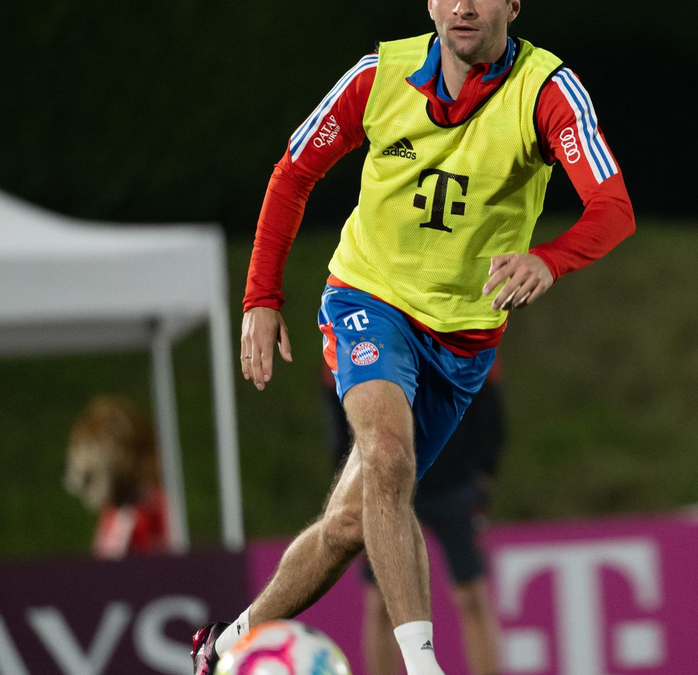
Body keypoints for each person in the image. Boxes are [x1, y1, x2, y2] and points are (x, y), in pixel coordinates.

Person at [190, 1, 635, 673]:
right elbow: (293, 170)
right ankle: (424, 666)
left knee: (346, 526)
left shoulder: (545, 90)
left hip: (462, 344)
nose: (462, 6)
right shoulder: (380, 74)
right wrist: (261, 296)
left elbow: (613, 208)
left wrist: (549, 257)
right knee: (389, 458)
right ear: (429, 3)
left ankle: (223, 647)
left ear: (512, 4)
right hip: (370, 300)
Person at [323, 361, 506, 675]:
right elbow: (340, 416)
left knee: (471, 594)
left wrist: (481, 470)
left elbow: (488, 402)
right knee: (381, 602)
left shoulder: (458, 319)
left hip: (455, 483)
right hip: (386, 486)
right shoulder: (355, 324)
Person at [63, 395, 169, 559]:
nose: (73, 485)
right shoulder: (114, 513)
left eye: (89, 476)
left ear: (123, 463)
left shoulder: (131, 521)